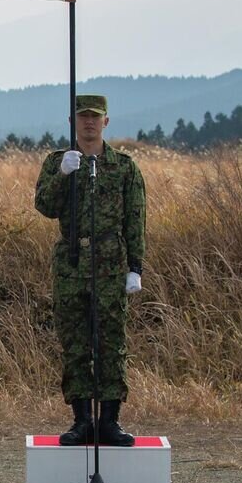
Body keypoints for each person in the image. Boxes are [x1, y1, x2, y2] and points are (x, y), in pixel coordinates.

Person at [35, 95, 146, 447]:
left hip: (111, 263)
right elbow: (44, 206)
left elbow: (136, 220)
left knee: (111, 343)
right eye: (83, 117)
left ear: (106, 122)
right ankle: (82, 420)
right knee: (76, 344)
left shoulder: (123, 167)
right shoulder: (59, 162)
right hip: (71, 261)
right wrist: (63, 175)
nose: (89, 123)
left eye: (95, 118)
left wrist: (135, 267)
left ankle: (110, 421)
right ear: (72, 121)